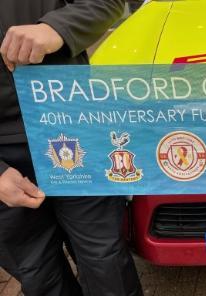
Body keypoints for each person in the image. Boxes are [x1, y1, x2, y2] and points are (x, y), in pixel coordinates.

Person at [0, 1, 143, 295]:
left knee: (106, 263)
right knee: (38, 274)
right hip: (4, 159)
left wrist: (58, 28)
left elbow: (108, 3)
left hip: (70, 125)